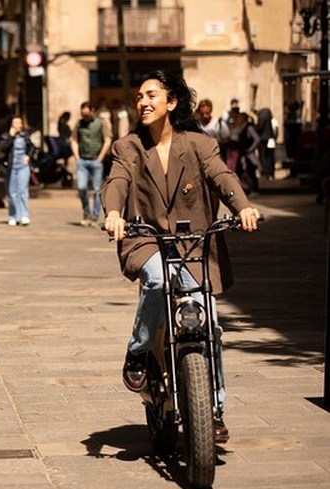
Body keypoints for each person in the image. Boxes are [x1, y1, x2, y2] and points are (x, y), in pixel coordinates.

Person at [101, 70, 260, 441]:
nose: (143, 102)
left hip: (192, 244)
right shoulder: (129, 147)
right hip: (147, 239)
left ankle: (215, 409)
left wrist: (243, 208)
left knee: (210, 326)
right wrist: (112, 212)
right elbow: (117, 182)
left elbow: (223, 176)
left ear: (171, 103)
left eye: (152, 95)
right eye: (139, 96)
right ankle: (138, 351)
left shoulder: (199, 144)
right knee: (156, 279)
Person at [71, 101, 112, 227]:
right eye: (83, 115)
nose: (85, 117)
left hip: (96, 160)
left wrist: (100, 158)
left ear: (92, 111)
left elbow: (107, 139)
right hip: (82, 160)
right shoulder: (79, 124)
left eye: (87, 114)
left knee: (96, 190)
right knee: (82, 188)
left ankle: (95, 216)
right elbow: (73, 140)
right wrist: (77, 157)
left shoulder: (101, 123)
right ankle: (86, 212)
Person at [0, 116, 35, 226]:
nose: (17, 126)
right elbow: (2, 148)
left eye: (19, 123)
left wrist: (28, 156)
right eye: (15, 123)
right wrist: (11, 136)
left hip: (23, 166)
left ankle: (24, 215)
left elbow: (32, 147)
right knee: (12, 192)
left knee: (22, 191)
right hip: (11, 167)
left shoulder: (25, 136)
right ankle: (13, 216)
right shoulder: (5, 136)